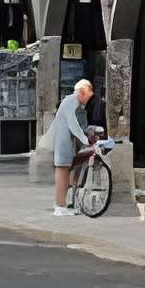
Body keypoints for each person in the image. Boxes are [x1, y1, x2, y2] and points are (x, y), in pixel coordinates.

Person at [46, 77, 99, 217]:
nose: (88, 99)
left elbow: (83, 126)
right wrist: (85, 140)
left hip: (71, 144)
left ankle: (65, 204)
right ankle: (59, 206)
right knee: (62, 172)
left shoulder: (80, 106)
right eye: (87, 95)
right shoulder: (71, 101)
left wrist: (93, 130)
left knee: (69, 173)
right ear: (81, 92)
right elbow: (73, 125)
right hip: (62, 141)